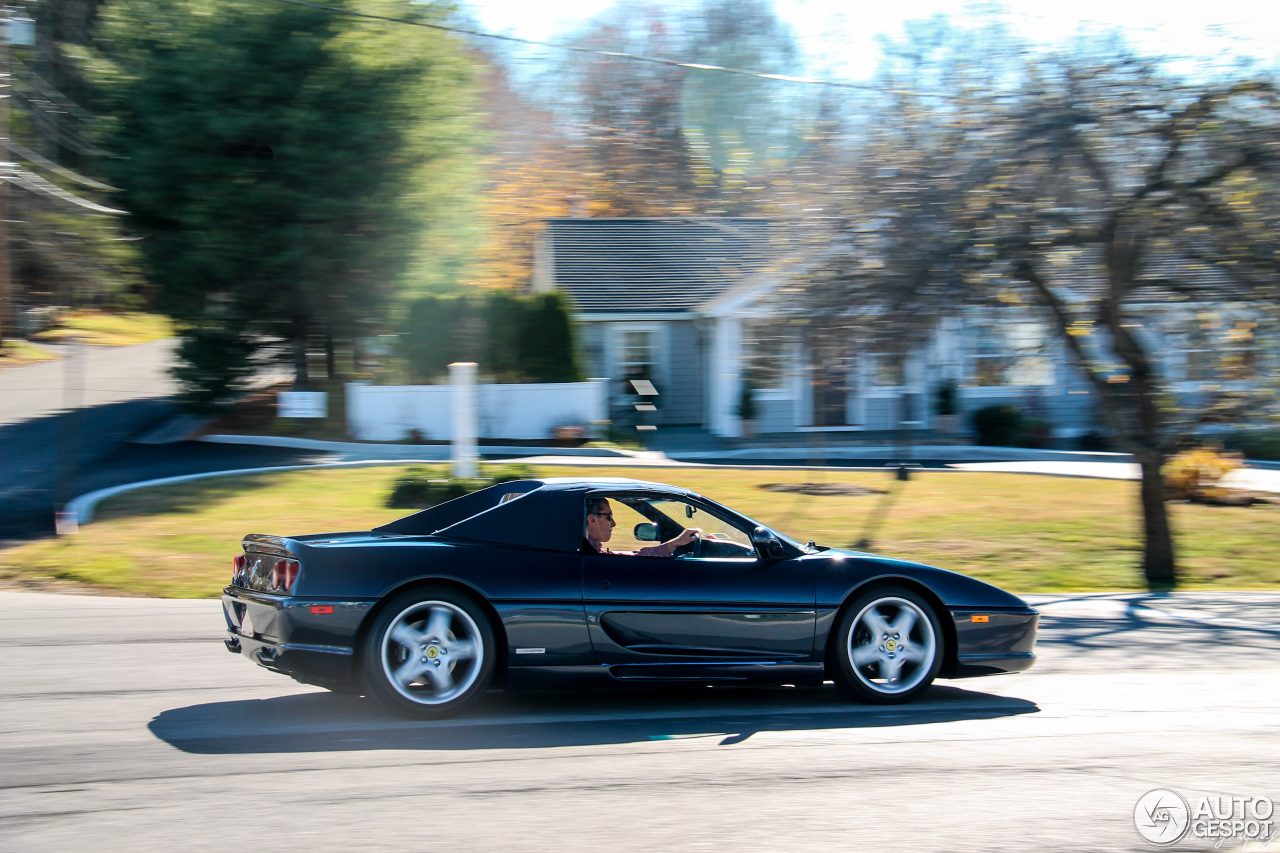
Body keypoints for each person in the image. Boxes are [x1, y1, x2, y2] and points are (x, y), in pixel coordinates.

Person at [584, 497, 700, 556]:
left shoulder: (591, 551)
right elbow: (630, 564)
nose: (614, 524)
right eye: (609, 517)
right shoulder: (588, 554)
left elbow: (629, 559)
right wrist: (674, 543)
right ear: (592, 519)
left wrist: (674, 543)